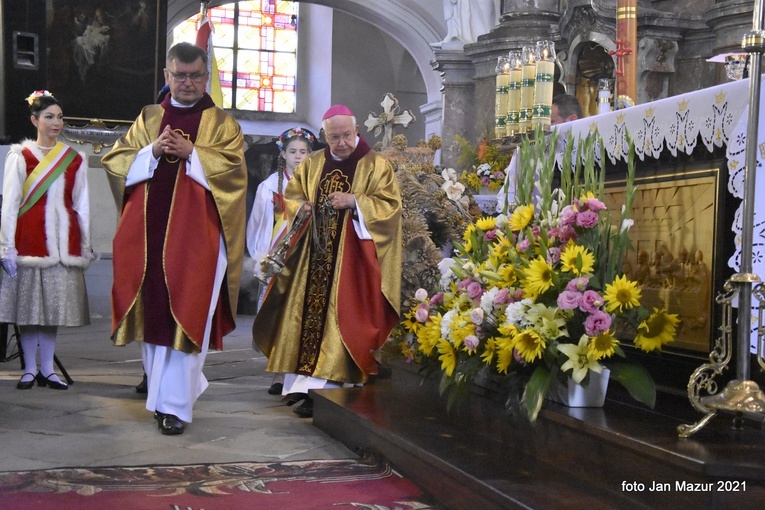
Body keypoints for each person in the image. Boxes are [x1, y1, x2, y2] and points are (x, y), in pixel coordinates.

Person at [101, 42, 247, 435]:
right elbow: (115, 163)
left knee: (189, 312)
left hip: (198, 240)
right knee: (153, 316)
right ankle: (166, 394)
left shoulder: (221, 124)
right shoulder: (149, 117)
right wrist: (151, 150)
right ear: (167, 76)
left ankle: (176, 407)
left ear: (206, 77)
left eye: (195, 75)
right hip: (145, 238)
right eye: (179, 75)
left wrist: (192, 153)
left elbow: (234, 174)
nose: (187, 82)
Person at [252, 105, 403, 419]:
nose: (342, 143)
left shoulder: (376, 165)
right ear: (324, 136)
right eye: (334, 137)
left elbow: (390, 208)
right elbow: (290, 200)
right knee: (302, 319)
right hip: (311, 261)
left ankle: (324, 393)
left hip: (351, 266)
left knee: (339, 323)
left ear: (357, 129)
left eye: (347, 135)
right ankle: (301, 388)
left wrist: (355, 202)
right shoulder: (313, 163)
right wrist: (299, 209)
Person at [0, 90, 93, 390]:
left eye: (60, 117)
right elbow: (11, 204)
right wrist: (5, 246)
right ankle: (28, 369)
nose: (56, 122)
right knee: (28, 309)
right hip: (28, 239)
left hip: (64, 243)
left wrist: (86, 244)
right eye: (49, 117)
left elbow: (82, 205)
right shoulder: (20, 156)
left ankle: (48, 368)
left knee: (52, 308)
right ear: (34, 120)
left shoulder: (74, 159)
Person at [245, 127, 316, 396]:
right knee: (277, 315)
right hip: (280, 258)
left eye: (304, 152)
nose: (298, 157)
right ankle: (277, 374)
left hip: (308, 258)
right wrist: (262, 258)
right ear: (283, 154)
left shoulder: (316, 183)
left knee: (302, 316)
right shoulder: (269, 187)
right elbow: (258, 226)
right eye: (293, 152)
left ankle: (300, 375)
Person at [496, 93, 583, 212]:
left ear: (572, 120)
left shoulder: (587, 147)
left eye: (551, 122)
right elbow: (511, 191)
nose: (544, 131)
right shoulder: (533, 148)